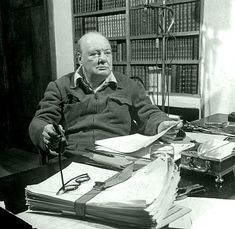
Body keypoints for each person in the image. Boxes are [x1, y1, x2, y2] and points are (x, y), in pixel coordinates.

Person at [29, 31, 182, 157]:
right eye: (94, 54)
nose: (103, 59)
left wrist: (162, 124)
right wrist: (45, 131)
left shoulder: (129, 85)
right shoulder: (60, 86)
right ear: (80, 59)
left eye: (107, 53)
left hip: (120, 157)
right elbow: (40, 121)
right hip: (74, 157)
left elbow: (149, 113)